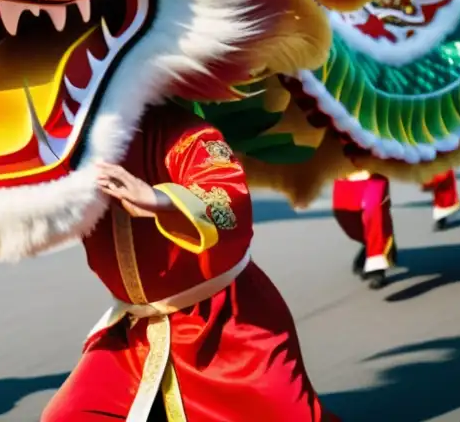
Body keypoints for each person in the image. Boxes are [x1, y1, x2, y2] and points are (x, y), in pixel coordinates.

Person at [44, 109, 334, 420]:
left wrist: (159, 200)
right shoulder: (71, 147)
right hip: (134, 335)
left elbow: (227, 199)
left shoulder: (188, 134)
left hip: (227, 327)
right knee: (70, 415)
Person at [331, 170, 396, 289]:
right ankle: (378, 244)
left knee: (375, 213)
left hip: (374, 171)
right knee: (344, 214)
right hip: (345, 171)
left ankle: (377, 269)